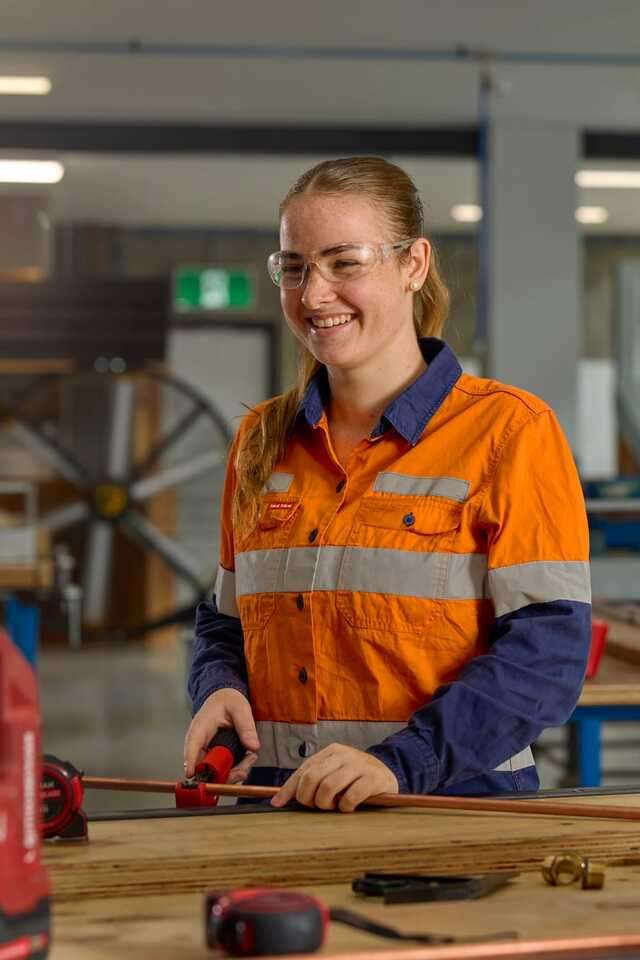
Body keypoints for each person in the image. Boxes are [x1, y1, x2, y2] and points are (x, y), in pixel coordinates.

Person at [184, 156, 591, 812]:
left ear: (413, 264)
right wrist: (217, 686)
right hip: (275, 811)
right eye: (294, 267)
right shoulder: (261, 439)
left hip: (448, 816)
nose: (314, 295)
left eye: (346, 262)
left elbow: (547, 655)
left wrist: (404, 764)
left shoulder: (510, 433)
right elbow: (225, 620)